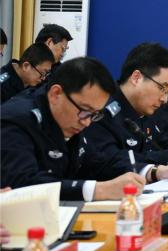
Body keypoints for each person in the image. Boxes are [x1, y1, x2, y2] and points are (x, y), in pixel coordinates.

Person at [0, 57, 145, 200]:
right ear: (56, 94)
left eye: (95, 114)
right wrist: (98, 190)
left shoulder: (72, 119)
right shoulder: (15, 120)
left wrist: (150, 172)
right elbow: (23, 183)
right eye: (85, 111)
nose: (87, 122)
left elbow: (97, 162)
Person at [79, 43, 168, 182]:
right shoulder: (101, 108)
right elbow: (108, 162)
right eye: (162, 88)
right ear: (136, 78)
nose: (164, 99)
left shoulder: (150, 109)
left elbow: (165, 143)